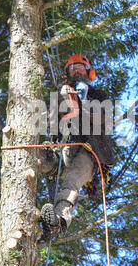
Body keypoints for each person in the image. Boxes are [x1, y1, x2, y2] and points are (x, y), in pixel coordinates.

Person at [38, 55, 114, 241]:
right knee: (41, 158)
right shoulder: (63, 93)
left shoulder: (98, 95)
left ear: (89, 72)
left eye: (80, 67)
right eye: (73, 68)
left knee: (71, 180)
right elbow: (50, 124)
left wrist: (82, 100)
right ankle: (14, 183)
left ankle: (59, 220)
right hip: (65, 151)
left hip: (90, 152)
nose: (77, 71)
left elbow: (103, 118)